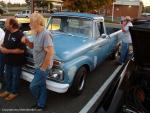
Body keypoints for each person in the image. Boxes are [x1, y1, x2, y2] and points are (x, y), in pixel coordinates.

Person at [22, 13, 54, 110]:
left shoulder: (46, 34)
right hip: (37, 65)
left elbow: (50, 52)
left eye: (31, 22)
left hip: (42, 67)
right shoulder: (36, 33)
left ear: (36, 23)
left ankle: (40, 100)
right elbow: (33, 46)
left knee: (33, 86)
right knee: (41, 85)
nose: (29, 25)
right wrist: (27, 42)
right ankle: (41, 104)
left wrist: (43, 68)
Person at [0, 17, 26, 100]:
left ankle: (14, 92)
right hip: (7, 60)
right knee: (8, 76)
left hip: (16, 61)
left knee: (15, 77)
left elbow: (21, 51)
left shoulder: (20, 35)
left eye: (6, 23)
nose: (5, 24)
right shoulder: (7, 32)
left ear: (11, 25)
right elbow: (5, 43)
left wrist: (7, 51)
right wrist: (2, 47)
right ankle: (8, 90)